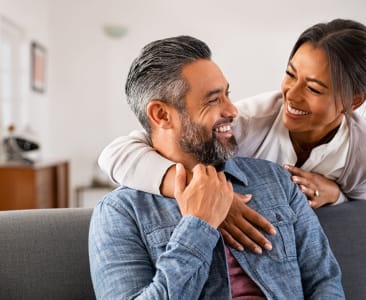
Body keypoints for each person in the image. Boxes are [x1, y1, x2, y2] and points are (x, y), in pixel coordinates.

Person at [98, 18, 366, 253]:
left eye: (314, 88)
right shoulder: (249, 121)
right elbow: (116, 154)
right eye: (290, 74)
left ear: (353, 101)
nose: (291, 95)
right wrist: (203, 194)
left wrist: (335, 194)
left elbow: (356, 207)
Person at [88, 35, 345, 299]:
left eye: (227, 94)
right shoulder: (119, 213)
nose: (232, 110)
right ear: (161, 115)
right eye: (213, 100)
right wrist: (198, 225)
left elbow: (324, 280)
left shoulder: (277, 180)